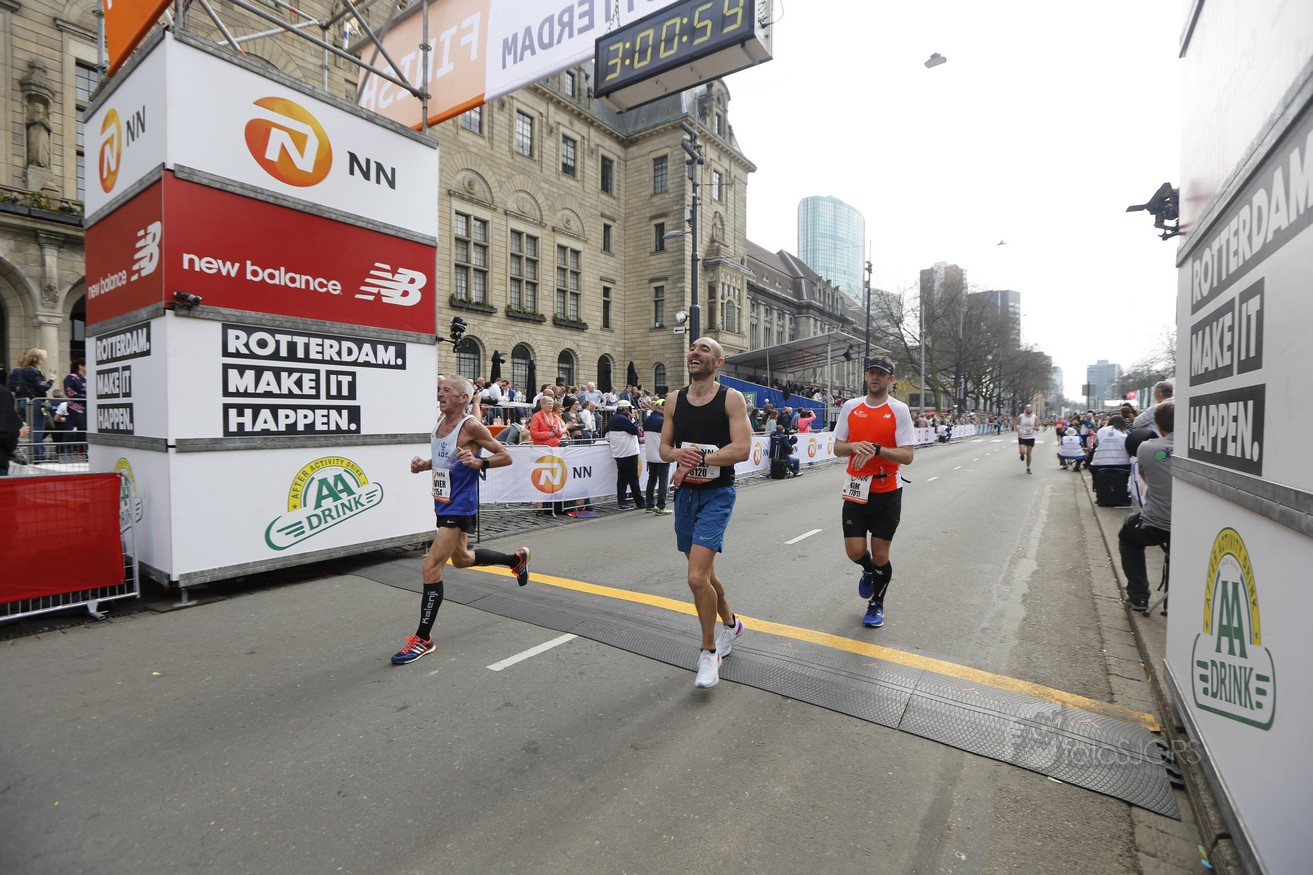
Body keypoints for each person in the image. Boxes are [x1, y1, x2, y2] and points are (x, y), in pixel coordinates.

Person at [392, 376, 532, 665]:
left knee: (432, 566)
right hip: (443, 501)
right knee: (463, 559)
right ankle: (515, 560)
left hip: (460, 505)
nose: (440, 395)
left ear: (463, 398)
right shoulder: (439, 422)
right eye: (439, 390)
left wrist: (479, 462)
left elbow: (505, 456)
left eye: (446, 390)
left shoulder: (471, 425)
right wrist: (423, 466)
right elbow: (443, 460)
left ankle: (423, 638)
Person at [660, 337, 752, 689]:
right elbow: (664, 447)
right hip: (685, 496)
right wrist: (675, 455)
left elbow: (742, 449)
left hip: (717, 494)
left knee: (696, 578)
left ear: (719, 362)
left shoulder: (731, 398)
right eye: (693, 348)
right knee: (706, 575)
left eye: (704, 350)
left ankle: (709, 651)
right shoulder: (674, 399)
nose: (695, 352)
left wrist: (700, 458)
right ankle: (732, 624)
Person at [834, 357, 916, 629]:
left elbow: (907, 456)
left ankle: (877, 603)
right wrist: (855, 446)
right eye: (871, 373)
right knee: (855, 551)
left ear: (890, 379)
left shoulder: (899, 410)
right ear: (866, 376)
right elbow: (838, 448)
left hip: (887, 490)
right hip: (856, 487)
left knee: (881, 554)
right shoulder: (851, 406)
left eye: (881, 374)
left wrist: (878, 450)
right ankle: (868, 570)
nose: (875, 377)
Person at [1119, 401, 1174, 612]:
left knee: (1127, 536)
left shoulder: (1146, 448)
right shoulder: (1200, 449)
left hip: (1158, 524)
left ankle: (1139, 595)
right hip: (1193, 526)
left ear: (1158, 425)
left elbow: (1146, 479)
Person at [606, 399, 645, 510]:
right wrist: (633, 419)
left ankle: (622, 502)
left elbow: (606, 434)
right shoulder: (623, 419)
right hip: (628, 453)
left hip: (619, 453)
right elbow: (636, 430)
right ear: (626, 409)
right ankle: (639, 502)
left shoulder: (614, 419)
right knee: (633, 479)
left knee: (622, 479)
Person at [642, 398, 672, 514]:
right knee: (663, 481)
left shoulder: (648, 420)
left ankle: (650, 504)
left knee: (652, 479)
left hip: (650, 455)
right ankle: (661, 506)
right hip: (661, 455)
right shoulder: (663, 421)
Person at [1014, 403, 1038, 474]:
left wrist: (1036, 428)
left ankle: (1028, 468)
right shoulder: (1021, 416)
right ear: (1025, 409)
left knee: (1028, 453)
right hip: (1022, 437)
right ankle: (1022, 455)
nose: (1028, 409)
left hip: (1031, 437)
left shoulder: (1035, 417)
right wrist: (1018, 431)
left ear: (1031, 409)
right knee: (1022, 451)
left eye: (1029, 407)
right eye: (1027, 407)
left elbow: (1037, 426)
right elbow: (1015, 424)